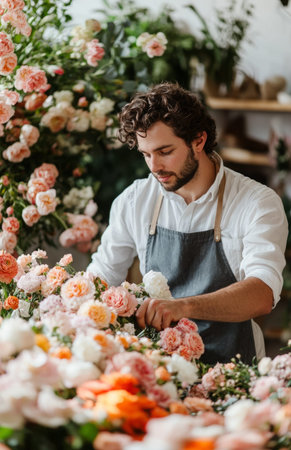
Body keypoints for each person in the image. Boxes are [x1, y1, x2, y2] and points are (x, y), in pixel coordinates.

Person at [87, 82, 288, 365]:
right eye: (146, 154)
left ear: (198, 140)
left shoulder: (256, 202)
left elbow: (261, 293)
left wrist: (182, 306)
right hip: (161, 368)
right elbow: (103, 274)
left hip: (235, 370)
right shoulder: (134, 200)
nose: (154, 166)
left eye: (165, 151)